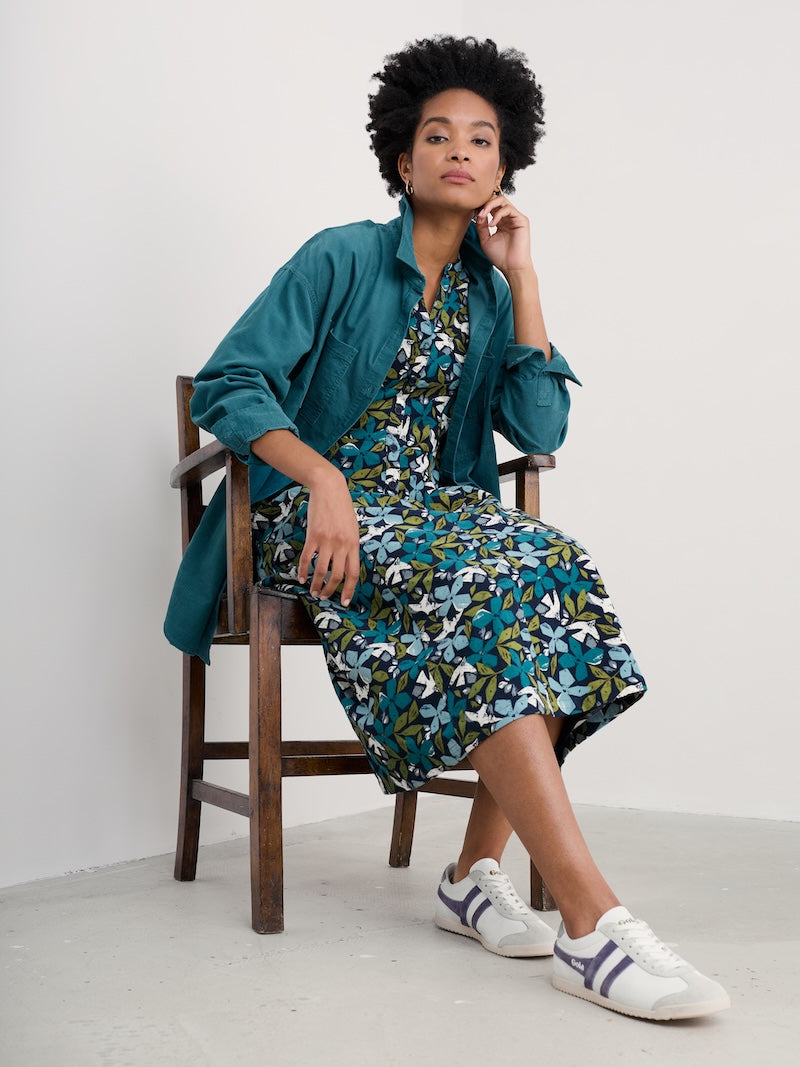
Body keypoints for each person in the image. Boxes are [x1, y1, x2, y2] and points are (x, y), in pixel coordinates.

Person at [165, 36, 729, 1021]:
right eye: (436, 135)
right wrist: (322, 475)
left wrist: (526, 275)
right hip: (309, 514)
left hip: (436, 517)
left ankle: (471, 876)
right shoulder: (339, 256)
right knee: (498, 579)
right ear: (402, 159)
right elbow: (230, 382)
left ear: (502, 170)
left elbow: (540, 427)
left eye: (480, 138)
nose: (458, 150)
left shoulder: (488, 291)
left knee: (552, 567)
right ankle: (591, 923)